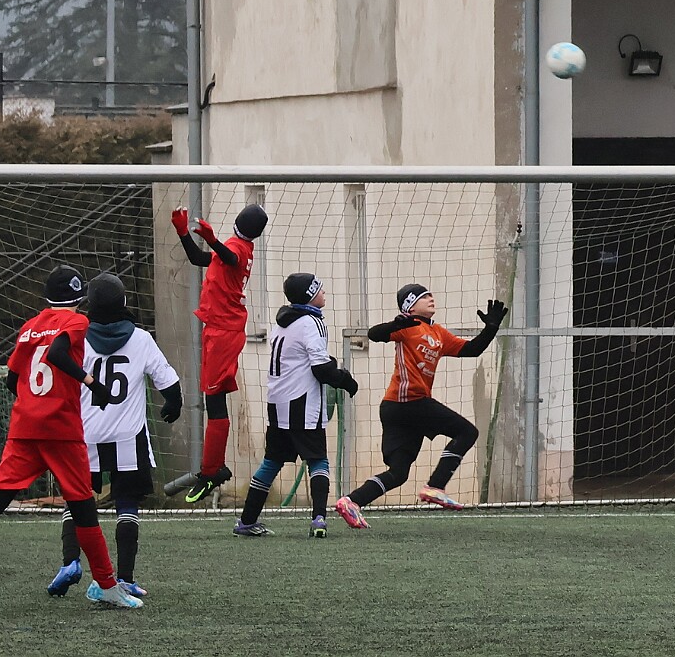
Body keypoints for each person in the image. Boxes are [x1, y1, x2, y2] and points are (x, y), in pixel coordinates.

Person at [0, 266, 141, 610]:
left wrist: (33, 404)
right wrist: (91, 383)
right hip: (60, 429)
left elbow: (12, 378)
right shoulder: (77, 322)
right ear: (80, 299)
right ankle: (106, 584)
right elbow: (57, 354)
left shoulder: (30, 326)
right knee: (83, 506)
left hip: (25, 427)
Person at [47, 274, 183, 599]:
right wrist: (173, 405)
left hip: (84, 434)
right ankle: (124, 578)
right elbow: (169, 382)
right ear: (124, 302)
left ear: (89, 305)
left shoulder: (77, 337)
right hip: (128, 435)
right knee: (127, 503)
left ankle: (70, 562)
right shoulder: (141, 338)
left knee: (76, 500)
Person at [333, 285, 507, 528]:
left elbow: (471, 350)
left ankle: (352, 501)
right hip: (407, 403)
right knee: (468, 432)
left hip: (401, 408)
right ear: (410, 306)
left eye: (430, 294)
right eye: (423, 296)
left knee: (399, 473)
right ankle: (435, 486)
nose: (431, 298)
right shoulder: (407, 326)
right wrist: (395, 324)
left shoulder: (438, 332)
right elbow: (374, 334)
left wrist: (491, 328)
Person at [233, 274, 358, 537]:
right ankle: (319, 520)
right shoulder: (312, 322)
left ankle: (246, 521)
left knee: (272, 462)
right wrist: (345, 380)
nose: (324, 292)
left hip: (277, 403)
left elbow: (301, 358)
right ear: (309, 295)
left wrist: (329, 363)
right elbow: (320, 369)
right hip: (302, 403)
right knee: (318, 460)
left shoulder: (283, 322)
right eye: (319, 289)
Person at [172, 203, 269, 503]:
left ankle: (211, 471)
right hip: (218, 329)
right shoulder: (236, 246)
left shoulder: (237, 248)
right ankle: (213, 468)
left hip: (224, 333)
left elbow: (228, 257)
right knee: (213, 400)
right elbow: (199, 258)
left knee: (214, 401)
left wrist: (212, 239)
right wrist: (183, 233)